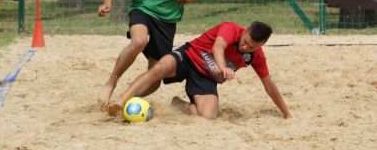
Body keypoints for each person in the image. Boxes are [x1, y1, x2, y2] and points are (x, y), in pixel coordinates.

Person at [107, 21, 293, 120]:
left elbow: (269, 85)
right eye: (245, 42)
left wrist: (287, 113)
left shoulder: (257, 56)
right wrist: (223, 69)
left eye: (251, 47)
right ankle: (121, 101)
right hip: (188, 57)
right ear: (246, 30)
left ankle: (178, 104)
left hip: (206, 77)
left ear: (262, 44)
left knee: (209, 116)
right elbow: (218, 47)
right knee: (160, 68)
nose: (245, 47)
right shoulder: (231, 28)